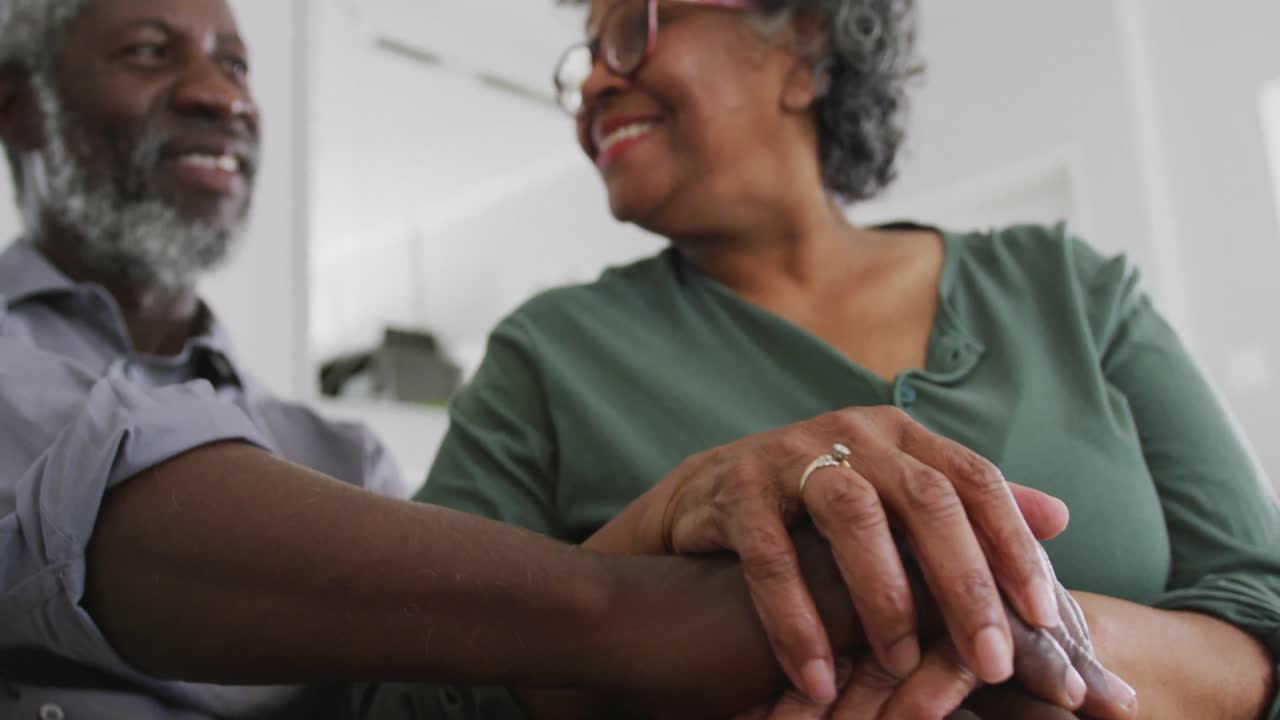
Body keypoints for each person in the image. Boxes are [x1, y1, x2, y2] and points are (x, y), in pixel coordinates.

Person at [0, 1, 1095, 718]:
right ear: (16, 105)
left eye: (238, 63)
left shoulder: (337, 455)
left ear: (801, 50)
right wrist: (678, 606)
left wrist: (992, 615)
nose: (225, 95)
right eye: (152, 50)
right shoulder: (546, 353)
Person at [402, 0, 1280, 717]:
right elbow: (410, 688)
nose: (595, 81)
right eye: (583, 59)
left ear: (804, 42)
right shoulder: (547, 356)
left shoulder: (1072, 289)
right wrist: (650, 531)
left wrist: (1018, 631)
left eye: (635, 28)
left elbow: (1261, 612)